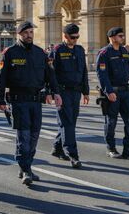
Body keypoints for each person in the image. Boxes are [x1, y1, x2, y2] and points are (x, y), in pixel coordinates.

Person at [0, 21, 61, 186]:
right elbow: (0, 78)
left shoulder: (40, 53)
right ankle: (25, 169)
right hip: (19, 100)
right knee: (23, 136)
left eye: (31, 32)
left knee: (34, 135)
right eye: (25, 33)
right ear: (19, 34)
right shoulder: (10, 52)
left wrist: (56, 92)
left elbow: (50, 75)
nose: (29, 35)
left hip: (35, 101)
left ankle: (27, 166)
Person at [48, 24, 90, 168]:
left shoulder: (79, 50)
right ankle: (73, 154)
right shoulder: (57, 50)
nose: (75, 40)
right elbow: (51, 74)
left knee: (71, 121)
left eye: (77, 37)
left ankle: (57, 147)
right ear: (65, 36)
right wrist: (53, 93)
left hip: (76, 92)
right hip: (63, 92)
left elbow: (83, 71)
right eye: (73, 37)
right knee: (67, 123)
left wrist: (86, 91)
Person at [96, 27, 129, 160]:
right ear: (113, 37)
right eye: (120, 36)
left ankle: (128, 149)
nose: (123, 38)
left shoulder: (124, 51)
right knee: (111, 122)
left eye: (123, 36)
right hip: (113, 93)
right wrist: (108, 91)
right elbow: (102, 75)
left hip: (127, 93)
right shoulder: (104, 53)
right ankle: (111, 148)